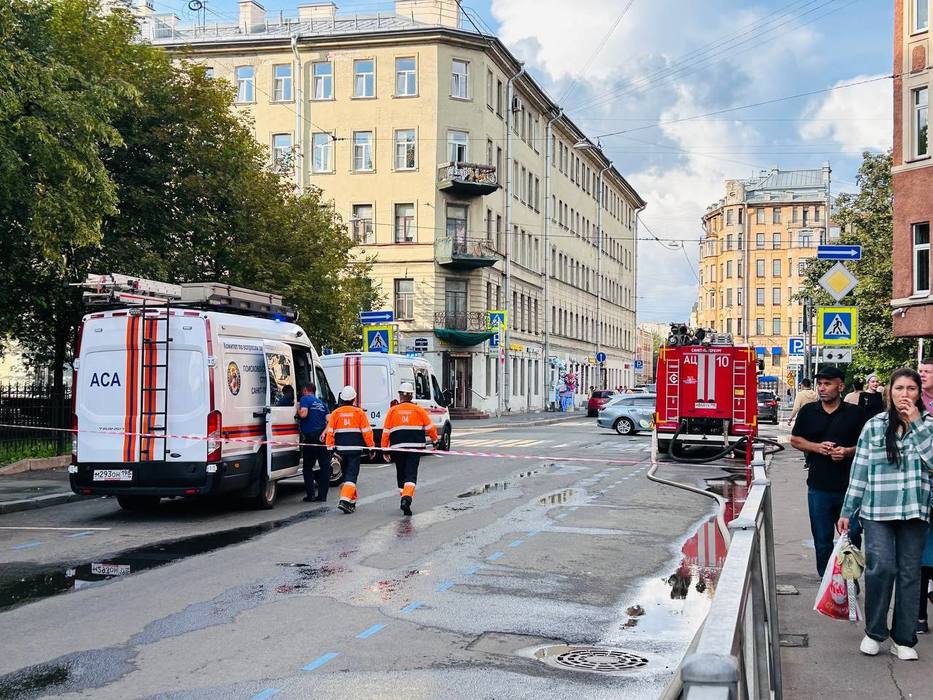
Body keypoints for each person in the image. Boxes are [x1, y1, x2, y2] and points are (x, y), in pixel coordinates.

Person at [838, 368, 933, 660]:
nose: (905, 394)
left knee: (909, 573)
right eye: (899, 388)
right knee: (881, 567)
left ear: (919, 393)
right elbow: (860, 470)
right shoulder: (874, 426)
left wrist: (917, 423)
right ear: (889, 393)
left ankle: (903, 639)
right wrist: (847, 510)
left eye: (911, 389)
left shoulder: (928, 424)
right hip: (878, 508)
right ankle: (875, 632)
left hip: (915, 510)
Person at [790, 367, 866, 577]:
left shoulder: (855, 413)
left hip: (849, 488)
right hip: (818, 487)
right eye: (820, 384)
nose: (822, 388)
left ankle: (850, 582)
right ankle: (828, 583)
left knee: (851, 537)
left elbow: (868, 446)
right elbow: (795, 440)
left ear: (840, 386)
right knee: (822, 541)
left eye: (827, 384)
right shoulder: (809, 411)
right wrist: (817, 447)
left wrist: (848, 451)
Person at [381, 382, 439, 516]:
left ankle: (403, 497)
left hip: (397, 448)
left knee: (401, 473)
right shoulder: (419, 410)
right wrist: (435, 441)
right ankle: (406, 499)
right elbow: (430, 428)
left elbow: (386, 432)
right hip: (415, 448)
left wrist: (384, 450)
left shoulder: (393, 411)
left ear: (400, 395)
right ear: (411, 395)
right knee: (411, 474)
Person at [324, 386, 374, 514]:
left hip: (340, 451)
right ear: (354, 398)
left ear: (341, 398)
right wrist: (371, 447)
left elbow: (330, 432)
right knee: (351, 476)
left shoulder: (335, 413)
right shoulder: (359, 413)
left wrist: (330, 449)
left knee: (347, 476)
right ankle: (344, 501)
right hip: (355, 450)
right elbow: (367, 432)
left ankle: (351, 501)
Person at [297, 382, 330, 503]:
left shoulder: (305, 399)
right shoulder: (322, 403)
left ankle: (310, 495)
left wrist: (297, 408)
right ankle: (322, 496)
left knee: (307, 468)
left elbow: (304, 414)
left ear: (305, 390)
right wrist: (324, 433)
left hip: (310, 439)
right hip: (322, 439)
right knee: (324, 467)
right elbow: (330, 421)